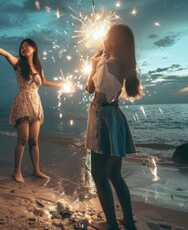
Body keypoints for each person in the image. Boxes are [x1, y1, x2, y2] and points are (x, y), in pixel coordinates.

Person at [0, 39, 61, 183]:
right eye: (21, 47)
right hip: (23, 100)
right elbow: (5, 54)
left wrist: (61, 84)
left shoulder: (38, 67)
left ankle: (36, 170)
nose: (23, 48)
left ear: (34, 48)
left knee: (34, 140)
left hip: (36, 103)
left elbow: (45, 82)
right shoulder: (18, 63)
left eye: (26, 46)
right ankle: (17, 171)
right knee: (23, 139)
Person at [85, 24, 141, 230]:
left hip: (102, 119)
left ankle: (110, 224)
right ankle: (128, 221)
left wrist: (96, 65)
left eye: (107, 36)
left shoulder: (107, 65)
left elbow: (93, 90)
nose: (103, 38)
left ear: (113, 41)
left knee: (98, 175)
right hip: (114, 117)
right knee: (115, 175)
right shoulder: (120, 64)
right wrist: (96, 64)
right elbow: (98, 89)